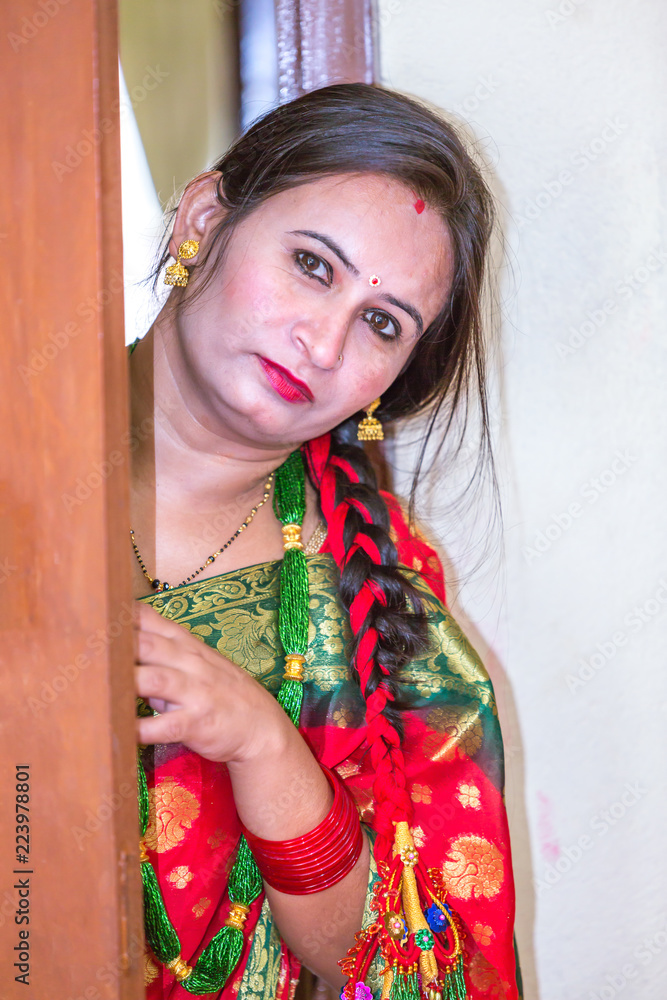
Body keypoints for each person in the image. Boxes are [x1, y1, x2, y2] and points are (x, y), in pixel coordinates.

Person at [129, 83, 521, 1000]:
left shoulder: (379, 598)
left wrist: (265, 747)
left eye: (381, 324)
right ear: (202, 220)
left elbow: (418, 975)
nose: (322, 341)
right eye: (312, 265)